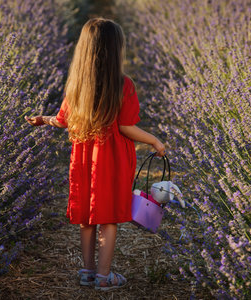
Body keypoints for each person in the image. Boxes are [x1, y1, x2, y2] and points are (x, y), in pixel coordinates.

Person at [25, 17, 166, 291]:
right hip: (112, 161)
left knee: (87, 218)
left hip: (83, 160)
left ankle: (87, 272)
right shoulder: (123, 85)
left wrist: (44, 119)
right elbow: (126, 127)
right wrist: (155, 141)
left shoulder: (77, 84)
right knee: (108, 218)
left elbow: (64, 120)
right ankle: (104, 277)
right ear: (115, 50)